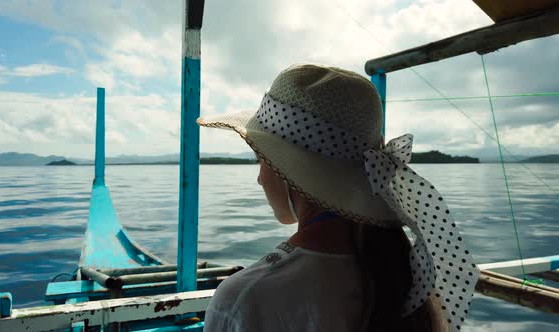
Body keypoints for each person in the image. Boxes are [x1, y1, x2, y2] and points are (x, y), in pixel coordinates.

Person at [197, 64, 479, 332]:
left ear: (289, 170)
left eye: (261, 159)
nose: (259, 178)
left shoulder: (245, 299)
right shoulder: (410, 279)